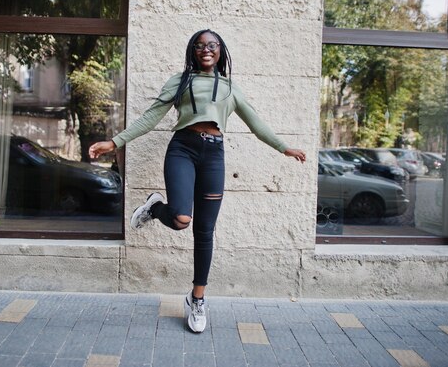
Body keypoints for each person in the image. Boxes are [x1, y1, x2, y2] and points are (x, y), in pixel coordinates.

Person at [89, 29, 306, 333]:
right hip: (182, 150)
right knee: (181, 219)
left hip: (214, 156)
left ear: (220, 51)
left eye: (212, 45)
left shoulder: (230, 88)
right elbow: (151, 117)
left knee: (205, 231)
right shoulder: (181, 82)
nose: (206, 49)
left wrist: (284, 148)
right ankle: (155, 209)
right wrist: (114, 142)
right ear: (193, 51)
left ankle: (197, 299)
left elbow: (256, 124)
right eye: (200, 45)